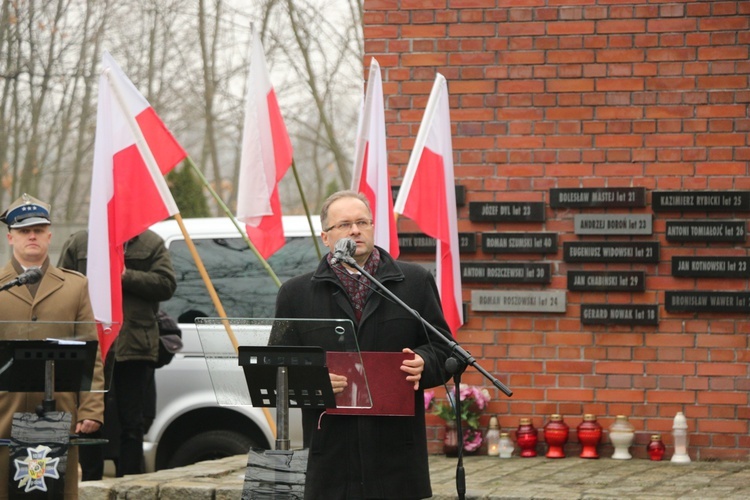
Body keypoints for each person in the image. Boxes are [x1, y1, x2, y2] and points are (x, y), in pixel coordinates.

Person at [271, 190, 453, 499]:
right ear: (326, 237)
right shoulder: (295, 293)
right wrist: (313, 381)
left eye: (362, 222)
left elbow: (445, 349)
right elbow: (278, 366)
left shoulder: (413, 282)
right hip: (331, 457)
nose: (355, 230)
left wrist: (425, 361)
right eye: (344, 225)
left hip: (396, 456)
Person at [0, 194, 105, 498]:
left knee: (57, 491)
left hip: (58, 410)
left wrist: (92, 408)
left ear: (49, 235)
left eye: (38, 229)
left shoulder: (74, 286)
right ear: (10, 237)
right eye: (23, 231)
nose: (31, 236)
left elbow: (90, 354)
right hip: (5, 411)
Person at [58, 228, 176, 477]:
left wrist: (125, 275)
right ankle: (90, 484)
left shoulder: (151, 242)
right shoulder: (80, 242)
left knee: (132, 423)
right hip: (92, 345)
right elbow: (61, 285)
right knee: (89, 421)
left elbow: (166, 284)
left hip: (133, 347)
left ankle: (130, 484)